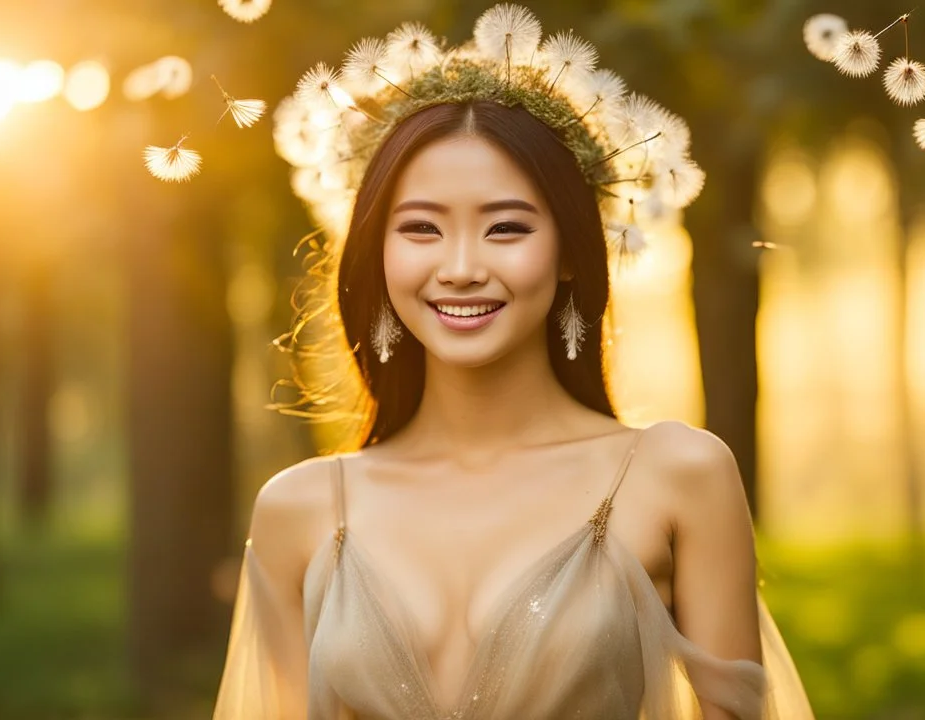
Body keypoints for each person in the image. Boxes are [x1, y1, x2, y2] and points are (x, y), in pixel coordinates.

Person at [214, 5, 813, 718]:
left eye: (505, 228)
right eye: (421, 229)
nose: (461, 267)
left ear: (568, 252)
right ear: (378, 250)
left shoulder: (677, 476)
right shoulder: (301, 510)